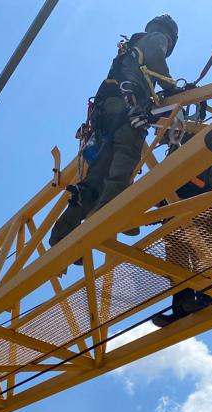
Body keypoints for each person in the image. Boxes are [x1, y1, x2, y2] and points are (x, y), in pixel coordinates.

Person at [49, 14, 181, 248]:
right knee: (126, 157)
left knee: (95, 179)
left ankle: (63, 237)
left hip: (106, 115)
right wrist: (173, 89)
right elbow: (155, 58)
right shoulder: (157, 37)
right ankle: (108, 215)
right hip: (126, 110)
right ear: (170, 36)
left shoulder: (127, 51)